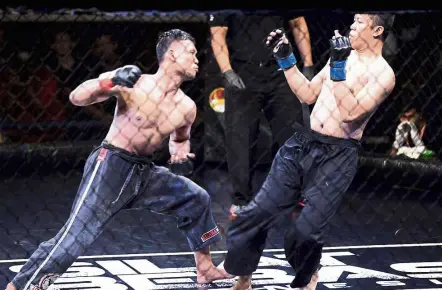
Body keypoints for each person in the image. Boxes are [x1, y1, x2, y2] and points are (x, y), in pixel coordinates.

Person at [5, 29, 232, 290]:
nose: (197, 59)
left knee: (196, 198)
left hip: (145, 172)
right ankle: (19, 286)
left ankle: (205, 269)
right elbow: (77, 97)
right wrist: (111, 79)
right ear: (172, 53)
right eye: (191, 53)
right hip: (111, 166)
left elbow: (180, 139)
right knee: (75, 236)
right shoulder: (135, 83)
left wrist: (180, 155)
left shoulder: (187, 107)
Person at [223, 13, 396, 290]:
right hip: (301, 146)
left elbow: (351, 114)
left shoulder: (383, 74)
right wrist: (286, 59)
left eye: (359, 22)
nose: (352, 25)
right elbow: (307, 95)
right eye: (352, 20)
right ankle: (243, 277)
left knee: (306, 231)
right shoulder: (340, 56)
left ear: (377, 30)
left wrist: (338, 67)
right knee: (256, 213)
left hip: (337, 156)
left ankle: (309, 272)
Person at [209, 12, 315, 218]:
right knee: (240, 139)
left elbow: (298, 23)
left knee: (292, 135)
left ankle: (295, 196)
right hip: (243, 71)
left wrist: (308, 64)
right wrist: (227, 71)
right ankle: (242, 201)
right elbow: (217, 34)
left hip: (281, 70)